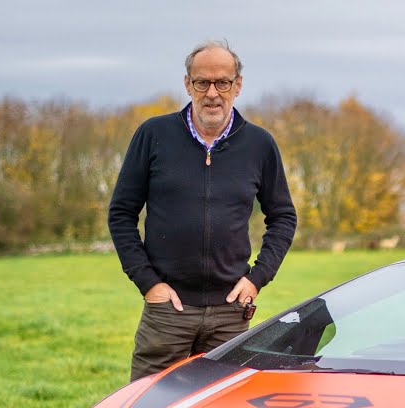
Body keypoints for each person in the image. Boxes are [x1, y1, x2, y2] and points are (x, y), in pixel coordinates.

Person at [108, 39, 297, 381]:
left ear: (237, 86)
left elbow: (283, 217)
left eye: (222, 82)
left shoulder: (259, 144)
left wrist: (256, 279)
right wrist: (148, 282)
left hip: (231, 315)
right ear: (187, 84)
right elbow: (121, 213)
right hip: (167, 311)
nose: (212, 93)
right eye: (202, 82)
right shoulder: (154, 135)